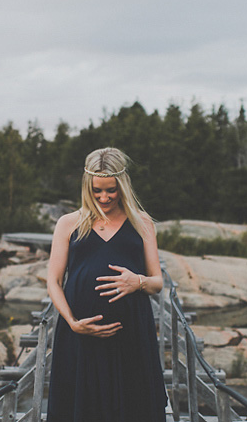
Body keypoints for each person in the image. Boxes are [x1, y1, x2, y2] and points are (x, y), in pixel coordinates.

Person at [46, 147, 167, 422]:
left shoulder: (142, 222)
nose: (104, 197)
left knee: (133, 407)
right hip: (81, 335)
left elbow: (157, 282)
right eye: (97, 190)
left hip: (131, 335)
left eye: (111, 190)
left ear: (122, 185)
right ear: (87, 186)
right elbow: (53, 280)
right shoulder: (68, 223)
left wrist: (136, 281)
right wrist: (72, 321)